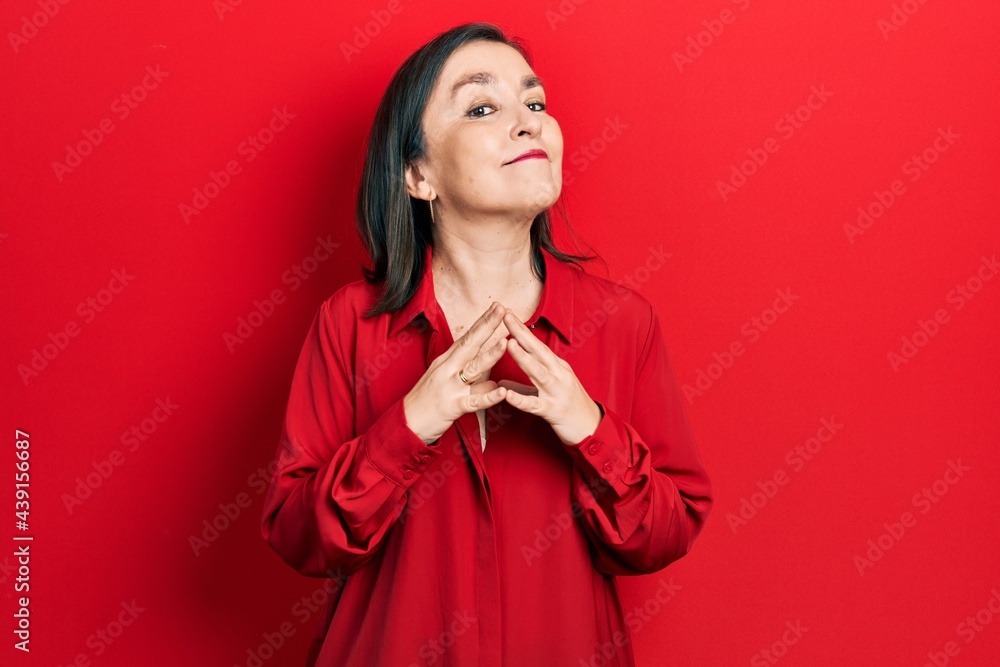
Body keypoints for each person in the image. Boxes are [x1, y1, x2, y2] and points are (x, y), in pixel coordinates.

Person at [260, 21, 713, 667]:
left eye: (535, 102)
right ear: (418, 175)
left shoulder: (623, 323)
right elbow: (299, 538)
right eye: (482, 107)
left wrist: (589, 429)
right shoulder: (349, 323)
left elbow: (664, 535)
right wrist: (410, 423)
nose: (529, 123)